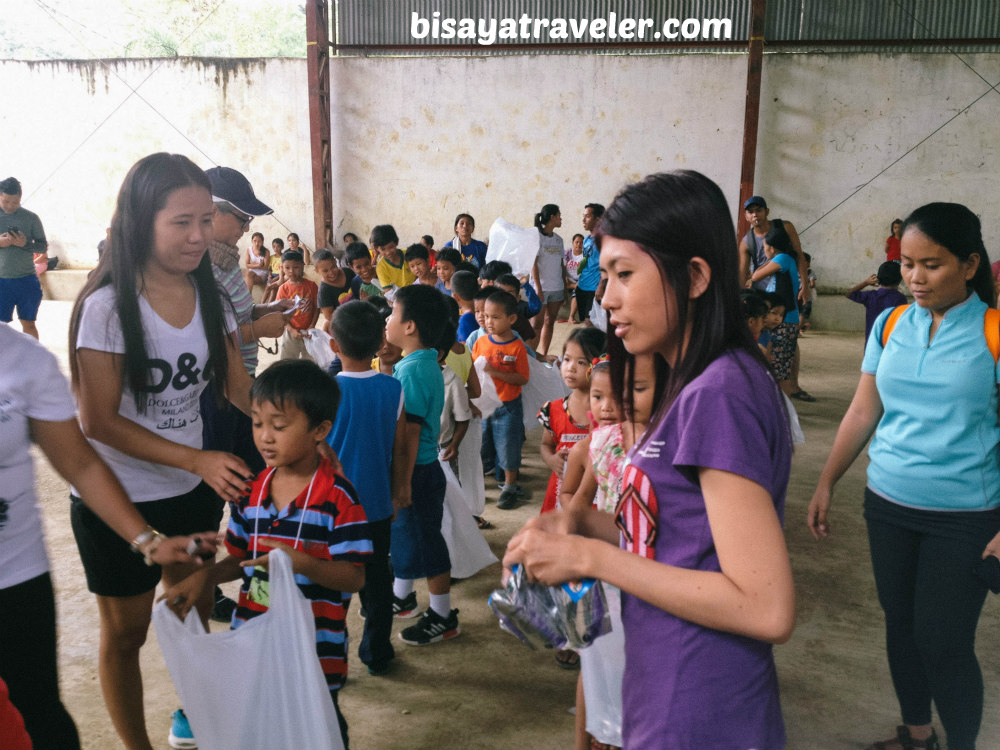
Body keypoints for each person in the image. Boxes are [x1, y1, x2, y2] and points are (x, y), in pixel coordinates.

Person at [504, 171, 795, 750]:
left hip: (702, 702)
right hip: (663, 680)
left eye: (624, 275)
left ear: (693, 277)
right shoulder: (684, 386)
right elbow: (683, 535)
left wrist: (589, 556)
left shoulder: (720, 393)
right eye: (605, 275)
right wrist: (582, 524)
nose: (606, 298)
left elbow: (765, 605)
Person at [68, 152, 255, 750]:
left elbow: (237, 387)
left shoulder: (213, 299)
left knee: (191, 614)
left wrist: (301, 437)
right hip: (118, 500)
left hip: (191, 496)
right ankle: (136, 745)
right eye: (182, 222)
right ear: (141, 221)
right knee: (127, 632)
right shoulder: (106, 308)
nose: (200, 236)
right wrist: (195, 458)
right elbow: (96, 421)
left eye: (207, 219)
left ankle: (194, 718)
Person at [808, 202, 1000, 750]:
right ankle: (917, 735)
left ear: (969, 264)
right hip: (889, 502)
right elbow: (864, 411)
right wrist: (827, 481)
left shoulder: (992, 332)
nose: (915, 278)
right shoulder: (892, 323)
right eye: (908, 264)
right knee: (901, 627)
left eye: (932, 265)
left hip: (965, 515)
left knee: (944, 643)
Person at [0, 323, 218, 750]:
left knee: (35, 719)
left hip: (15, 579)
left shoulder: (23, 359)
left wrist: (148, 540)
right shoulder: (99, 314)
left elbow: (81, 464)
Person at [163, 360, 371, 750]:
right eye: (258, 423)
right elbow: (240, 558)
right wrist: (203, 577)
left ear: (320, 431)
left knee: (320, 731)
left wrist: (303, 564)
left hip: (315, 652)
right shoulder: (252, 492)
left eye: (279, 425)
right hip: (255, 643)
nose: (264, 438)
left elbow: (354, 577)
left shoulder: (338, 498)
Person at [325, 300, 405, 676]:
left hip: (329, 508)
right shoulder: (393, 389)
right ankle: (377, 651)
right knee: (377, 581)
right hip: (375, 504)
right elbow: (402, 446)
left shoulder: (324, 392)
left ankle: (329, 656)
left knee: (330, 584)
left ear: (333, 345)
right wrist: (400, 488)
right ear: (379, 345)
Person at [385, 284, 461, 644]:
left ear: (410, 326)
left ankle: (442, 615)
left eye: (392, 314)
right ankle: (401, 597)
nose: (387, 320)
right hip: (419, 470)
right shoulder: (422, 361)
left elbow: (410, 433)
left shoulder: (413, 371)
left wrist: (401, 483)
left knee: (426, 542)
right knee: (409, 537)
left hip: (416, 470)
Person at [539, 327, 606, 515]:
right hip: (560, 492)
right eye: (567, 359)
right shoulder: (553, 409)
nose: (571, 367)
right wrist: (551, 460)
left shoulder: (608, 413)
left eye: (581, 362)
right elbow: (546, 444)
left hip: (596, 495)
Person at [474, 290, 531, 510]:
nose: (489, 322)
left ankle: (510, 485)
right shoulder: (480, 342)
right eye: (486, 316)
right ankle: (485, 478)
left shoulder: (516, 347)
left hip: (508, 407)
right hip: (484, 405)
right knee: (482, 444)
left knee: (508, 445)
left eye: (495, 317)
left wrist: (494, 372)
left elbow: (522, 378)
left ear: (512, 319)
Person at [751, 224, 815, 400]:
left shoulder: (782, 259)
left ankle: (780, 412)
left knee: (778, 370)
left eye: (764, 246)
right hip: (786, 320)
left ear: (770, 247)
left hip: (784, 322)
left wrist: (766, 260)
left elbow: (756, 275)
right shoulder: (786, 259)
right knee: (781, 368)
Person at [0, 177, 47, 339]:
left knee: (29, 323)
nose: (10, 206)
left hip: (26, 280)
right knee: (1, 327)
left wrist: (25, 244)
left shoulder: (31, 218)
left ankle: (32, 361)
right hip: (1, 281)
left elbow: (42, 246)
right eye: (6, 201)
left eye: (15, 202)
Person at [531, 203, 566, 356]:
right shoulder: (536, 237)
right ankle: (532, 355)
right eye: (559, 215)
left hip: (556, 288)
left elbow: (561, 265)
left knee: (549, 322)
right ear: (552, 217)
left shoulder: (559, 240)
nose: (561, 218)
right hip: (541, 289)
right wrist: (538, 288)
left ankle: (544, 354)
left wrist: (564, 287)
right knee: (536, 324)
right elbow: (533, 265)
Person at [847, 261, 908, 345]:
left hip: (871, 344)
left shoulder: (871, 296)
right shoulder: (900, 299)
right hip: (890, 345)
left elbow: (849, 294)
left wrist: (866, 283)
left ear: (878, 278)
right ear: (899, 280)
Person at [276, 249, 319, 360]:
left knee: (309, 361)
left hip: (308, 332)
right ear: (282, 268)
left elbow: (316, 308)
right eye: (287, 268)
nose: (291, 271)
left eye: (296, 267)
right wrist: (291, 330)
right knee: (288, 362)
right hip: (290, 332)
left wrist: (312, 325)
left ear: (302, 266)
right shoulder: (283, 289)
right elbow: (280, 314)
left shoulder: (312, 286)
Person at [314, 248, 358, 332]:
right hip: (343, 325)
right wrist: (350, 313)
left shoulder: (348, 272)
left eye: (333, 267)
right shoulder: (324, 291)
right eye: (325, 271)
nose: (331, 273)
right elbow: (329, 316)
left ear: (335, 261)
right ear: (317, 271)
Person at [575, 203, 605, 326]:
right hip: (582, 287)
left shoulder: (603, 240)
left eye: (587, 216)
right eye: (583, 216)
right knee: (586, 321)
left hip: (595, 288)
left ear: (597, 219)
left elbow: (607, 265)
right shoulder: (587, 239)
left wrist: (601, 286)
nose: (583, 220)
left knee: (591, 321)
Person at [372, 225, 415, 297]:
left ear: (396, 242)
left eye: (391, 247)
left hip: (417, 291)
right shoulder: (381, 268)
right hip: (400, 298)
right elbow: (389, 292)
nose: (388, 252)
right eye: (383, 249)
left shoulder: (408, 255)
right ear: (377, 249)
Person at [562, 233, 584, 322]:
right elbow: (561, 267)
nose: (578, 244)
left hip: (579, 282)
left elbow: (587, 272)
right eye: (577, 242)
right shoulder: (567, 254)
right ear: (572, 242)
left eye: (581, 243)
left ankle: (571, 317)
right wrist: (563, 277)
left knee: (578, 289)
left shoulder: (585, 256)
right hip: (566, 281)